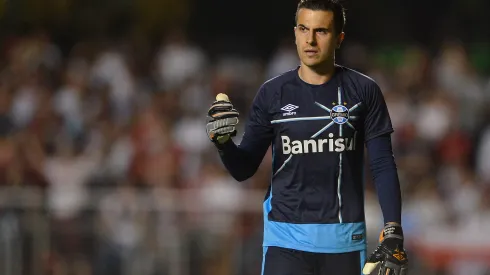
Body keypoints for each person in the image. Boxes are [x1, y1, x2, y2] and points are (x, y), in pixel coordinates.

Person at [206, 0, 408, 274]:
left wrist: (393, 228)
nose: (310, 39)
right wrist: (224, 144)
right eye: (303, 29)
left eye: (321, 31)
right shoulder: (272, 93)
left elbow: (383, 163)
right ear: (295, 33)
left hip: (344, 242)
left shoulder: (364, 91)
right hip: (285, 242)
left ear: (339, 38)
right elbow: (243, 169)